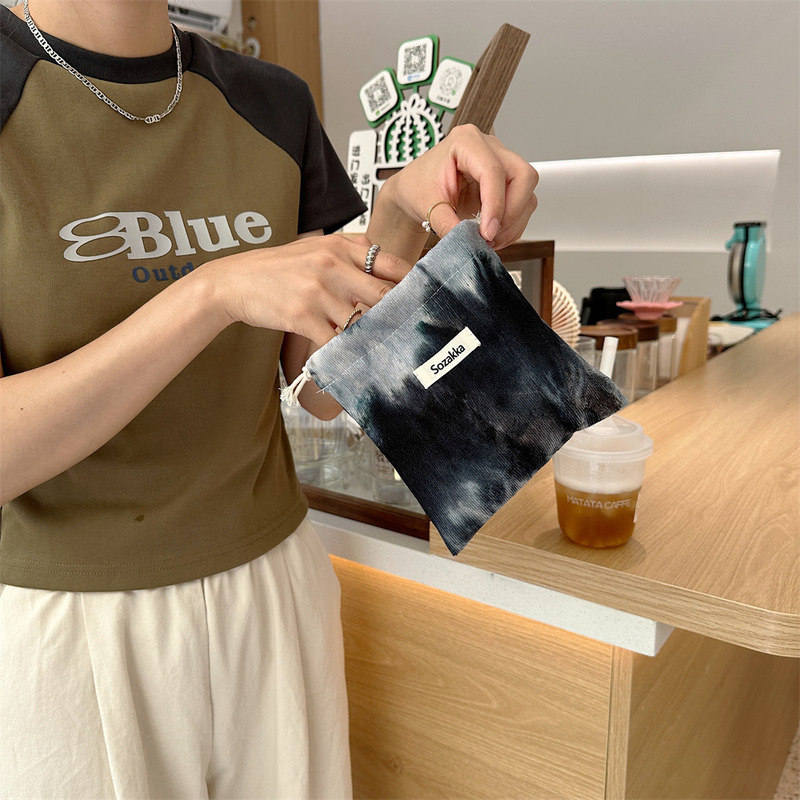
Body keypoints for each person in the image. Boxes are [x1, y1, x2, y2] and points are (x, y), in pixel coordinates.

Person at [0, 1, 539, 797]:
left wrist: (397, 212)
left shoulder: (271, 103)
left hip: (273, 588)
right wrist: (210, 294)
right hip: (69, 623)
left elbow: (321, 388)